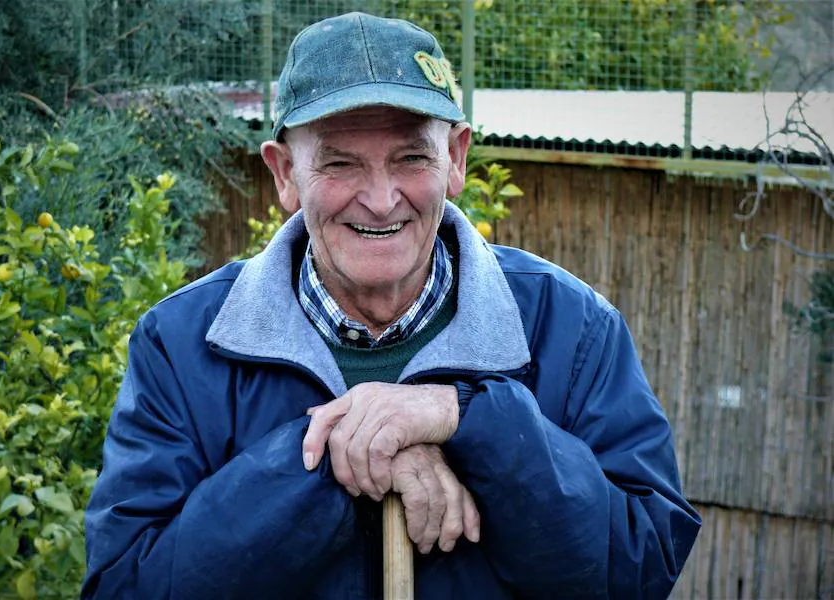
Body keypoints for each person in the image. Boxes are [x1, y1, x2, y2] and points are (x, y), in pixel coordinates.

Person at [83, 11, 701, 600]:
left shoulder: (574, 327)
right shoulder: (180, 343)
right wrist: (339, 456)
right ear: (284, 175)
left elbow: (640, 568)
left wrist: (467, 420)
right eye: (340, 163)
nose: (381, 200)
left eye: (411, 157)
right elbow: (123, 584)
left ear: (455, 159)